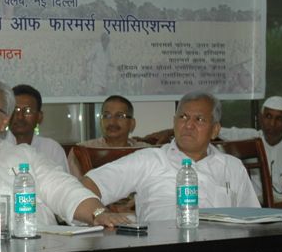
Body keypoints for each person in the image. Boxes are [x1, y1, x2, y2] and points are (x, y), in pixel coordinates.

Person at [0, 78, 123, 230]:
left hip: (43, 248)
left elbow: (63, 188)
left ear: (5, 120)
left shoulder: (24, 154)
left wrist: (99, 213)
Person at [82, 92, 260, 223]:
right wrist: (99, 213)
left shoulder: (232, 167)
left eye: (199, 120)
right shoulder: (150, 159)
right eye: (183, 117)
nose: (188, 125)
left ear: (215, 130)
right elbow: (88, 185)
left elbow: (254, 219)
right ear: (174, 122)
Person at [219, 96, 282, 205]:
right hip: (258, 208)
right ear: (260, 118)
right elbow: (218, 131)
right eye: (268, 116)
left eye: (279, 119)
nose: (272, 123)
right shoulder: (251, 139)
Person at [66, 94, 148, 176]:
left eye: (119, 116)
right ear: (101, 121)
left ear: (132, 124)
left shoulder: (145, 151)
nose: (112, 122)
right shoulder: (81, 151)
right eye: (106, 116)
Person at [3, 84, 69, 173]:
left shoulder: (52, 149)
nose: (20, 117)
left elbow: (63, 184)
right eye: (15, 110)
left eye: (28, 111)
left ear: (39, 117)